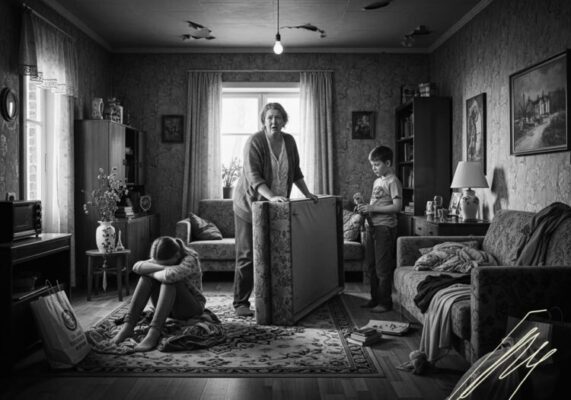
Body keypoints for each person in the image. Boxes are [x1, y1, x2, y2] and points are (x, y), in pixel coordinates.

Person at [232, 102, 318, 317]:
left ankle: (273, 299)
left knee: (276, 252)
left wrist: (307, 193)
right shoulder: (255, 141)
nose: (274, 121)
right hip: (250, 205)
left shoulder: (289, 141)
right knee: (248, 254)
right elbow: (253, 176)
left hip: (276, 205)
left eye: (278, 117)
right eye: (270, 117)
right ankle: (240, 302)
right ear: (263, 120)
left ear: (284, 120)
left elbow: (295, 171)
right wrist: (271, 197)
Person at [112, 236, 206, 351]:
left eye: (167, 264)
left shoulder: (190, 259)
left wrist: (151, 271)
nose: (163, 266)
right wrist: (164, 267)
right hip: (169, 308)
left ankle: (154, 333)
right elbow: (137, 267)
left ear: (177, 255)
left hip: (191, 309)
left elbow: (170, 276)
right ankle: (128, 326)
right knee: (145, 278)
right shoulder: (165, 257)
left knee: (169, 282)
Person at [356, 145, 402, 313]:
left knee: (382, 268)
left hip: (385, 228)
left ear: (387, 163)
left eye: (376, 164)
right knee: (371, 266)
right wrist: (363, 205)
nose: (373, 168)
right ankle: (374, 299)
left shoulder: (393, 181)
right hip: (372, 227)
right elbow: (375, 205)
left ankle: (385, 302)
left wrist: (372, 208)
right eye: (372, 165)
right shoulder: (377, 181)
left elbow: (397, 207)